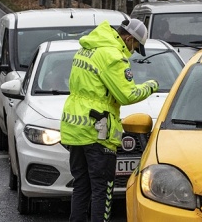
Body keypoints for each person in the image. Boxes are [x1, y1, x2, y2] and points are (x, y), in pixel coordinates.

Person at [60, 19, 159, 222]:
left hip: (76, 128)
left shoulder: (88, 48)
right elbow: (127, 95)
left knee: (82, 184)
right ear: (129, 38)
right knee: (102, 189)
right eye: (135, 47)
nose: (133, 52)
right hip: (98, 130)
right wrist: (151, 85)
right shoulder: (113, 56)